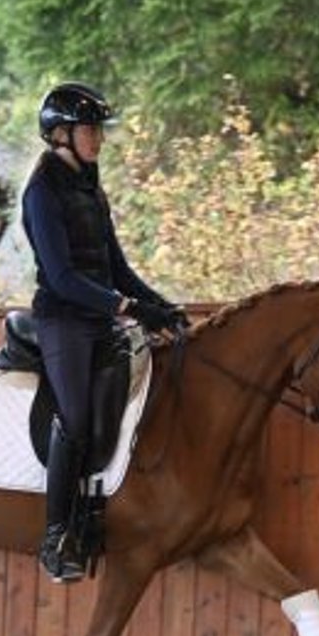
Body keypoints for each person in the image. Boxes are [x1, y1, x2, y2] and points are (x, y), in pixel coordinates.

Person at [21, 81, 188, 584]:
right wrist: (128, 306)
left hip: (99, 317)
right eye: (90, 129)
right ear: (60, 135)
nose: (99, 139)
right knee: (73, 417)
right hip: (62, 319)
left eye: (98, 130)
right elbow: (65, 277)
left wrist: (160, 306)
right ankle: (55, 537)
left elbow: (116, 267)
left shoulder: (92, 189)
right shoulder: (42, 192)